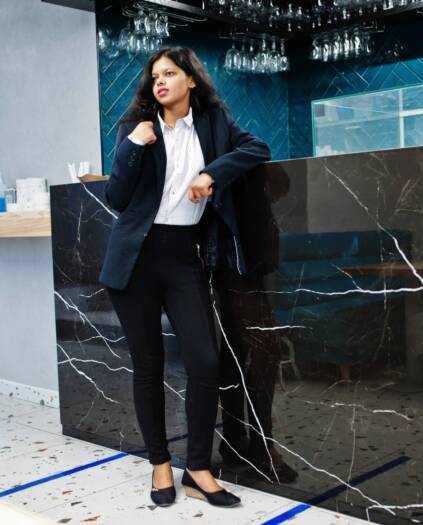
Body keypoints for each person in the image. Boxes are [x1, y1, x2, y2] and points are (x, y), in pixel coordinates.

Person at [98, 46, 271, 508]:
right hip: (135, 260)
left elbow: (257, 148)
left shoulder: (215, 122)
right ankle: (158, 463)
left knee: (205, 361)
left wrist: (212, 172)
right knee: (149, 365)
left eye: (170, 73)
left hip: (183, 258)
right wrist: (135, 145)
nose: (160, 82)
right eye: (154, 75)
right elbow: (117, 197)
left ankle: (197, 467)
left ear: (190, 79)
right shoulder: (136, 128)